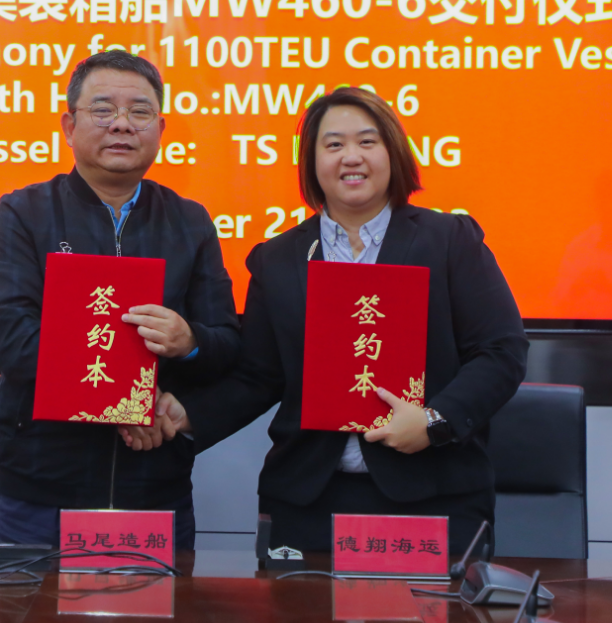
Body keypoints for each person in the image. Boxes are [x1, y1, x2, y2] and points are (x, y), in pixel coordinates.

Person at [154, 87, 528, 555]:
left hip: (432, 494)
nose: (352, 156)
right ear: (311, 162)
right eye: (333, 145)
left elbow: (502, 351)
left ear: (393, 153)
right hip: (309, 502)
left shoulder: (450, 240)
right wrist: (190, 413)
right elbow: (258, 376)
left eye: (367, 142)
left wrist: (434, 421)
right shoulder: (278, 259)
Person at [0, 51, 240, 550]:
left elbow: (225, 342)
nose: (121, 124)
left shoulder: (189, 221)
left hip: (155, 483)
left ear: (160, 128)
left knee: (162, 596)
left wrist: (190, 341)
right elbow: (14, 339)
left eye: (139, 111)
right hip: (44, 487)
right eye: (102, 110)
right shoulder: (23, 214)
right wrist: (119, 403)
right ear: (69, 126)